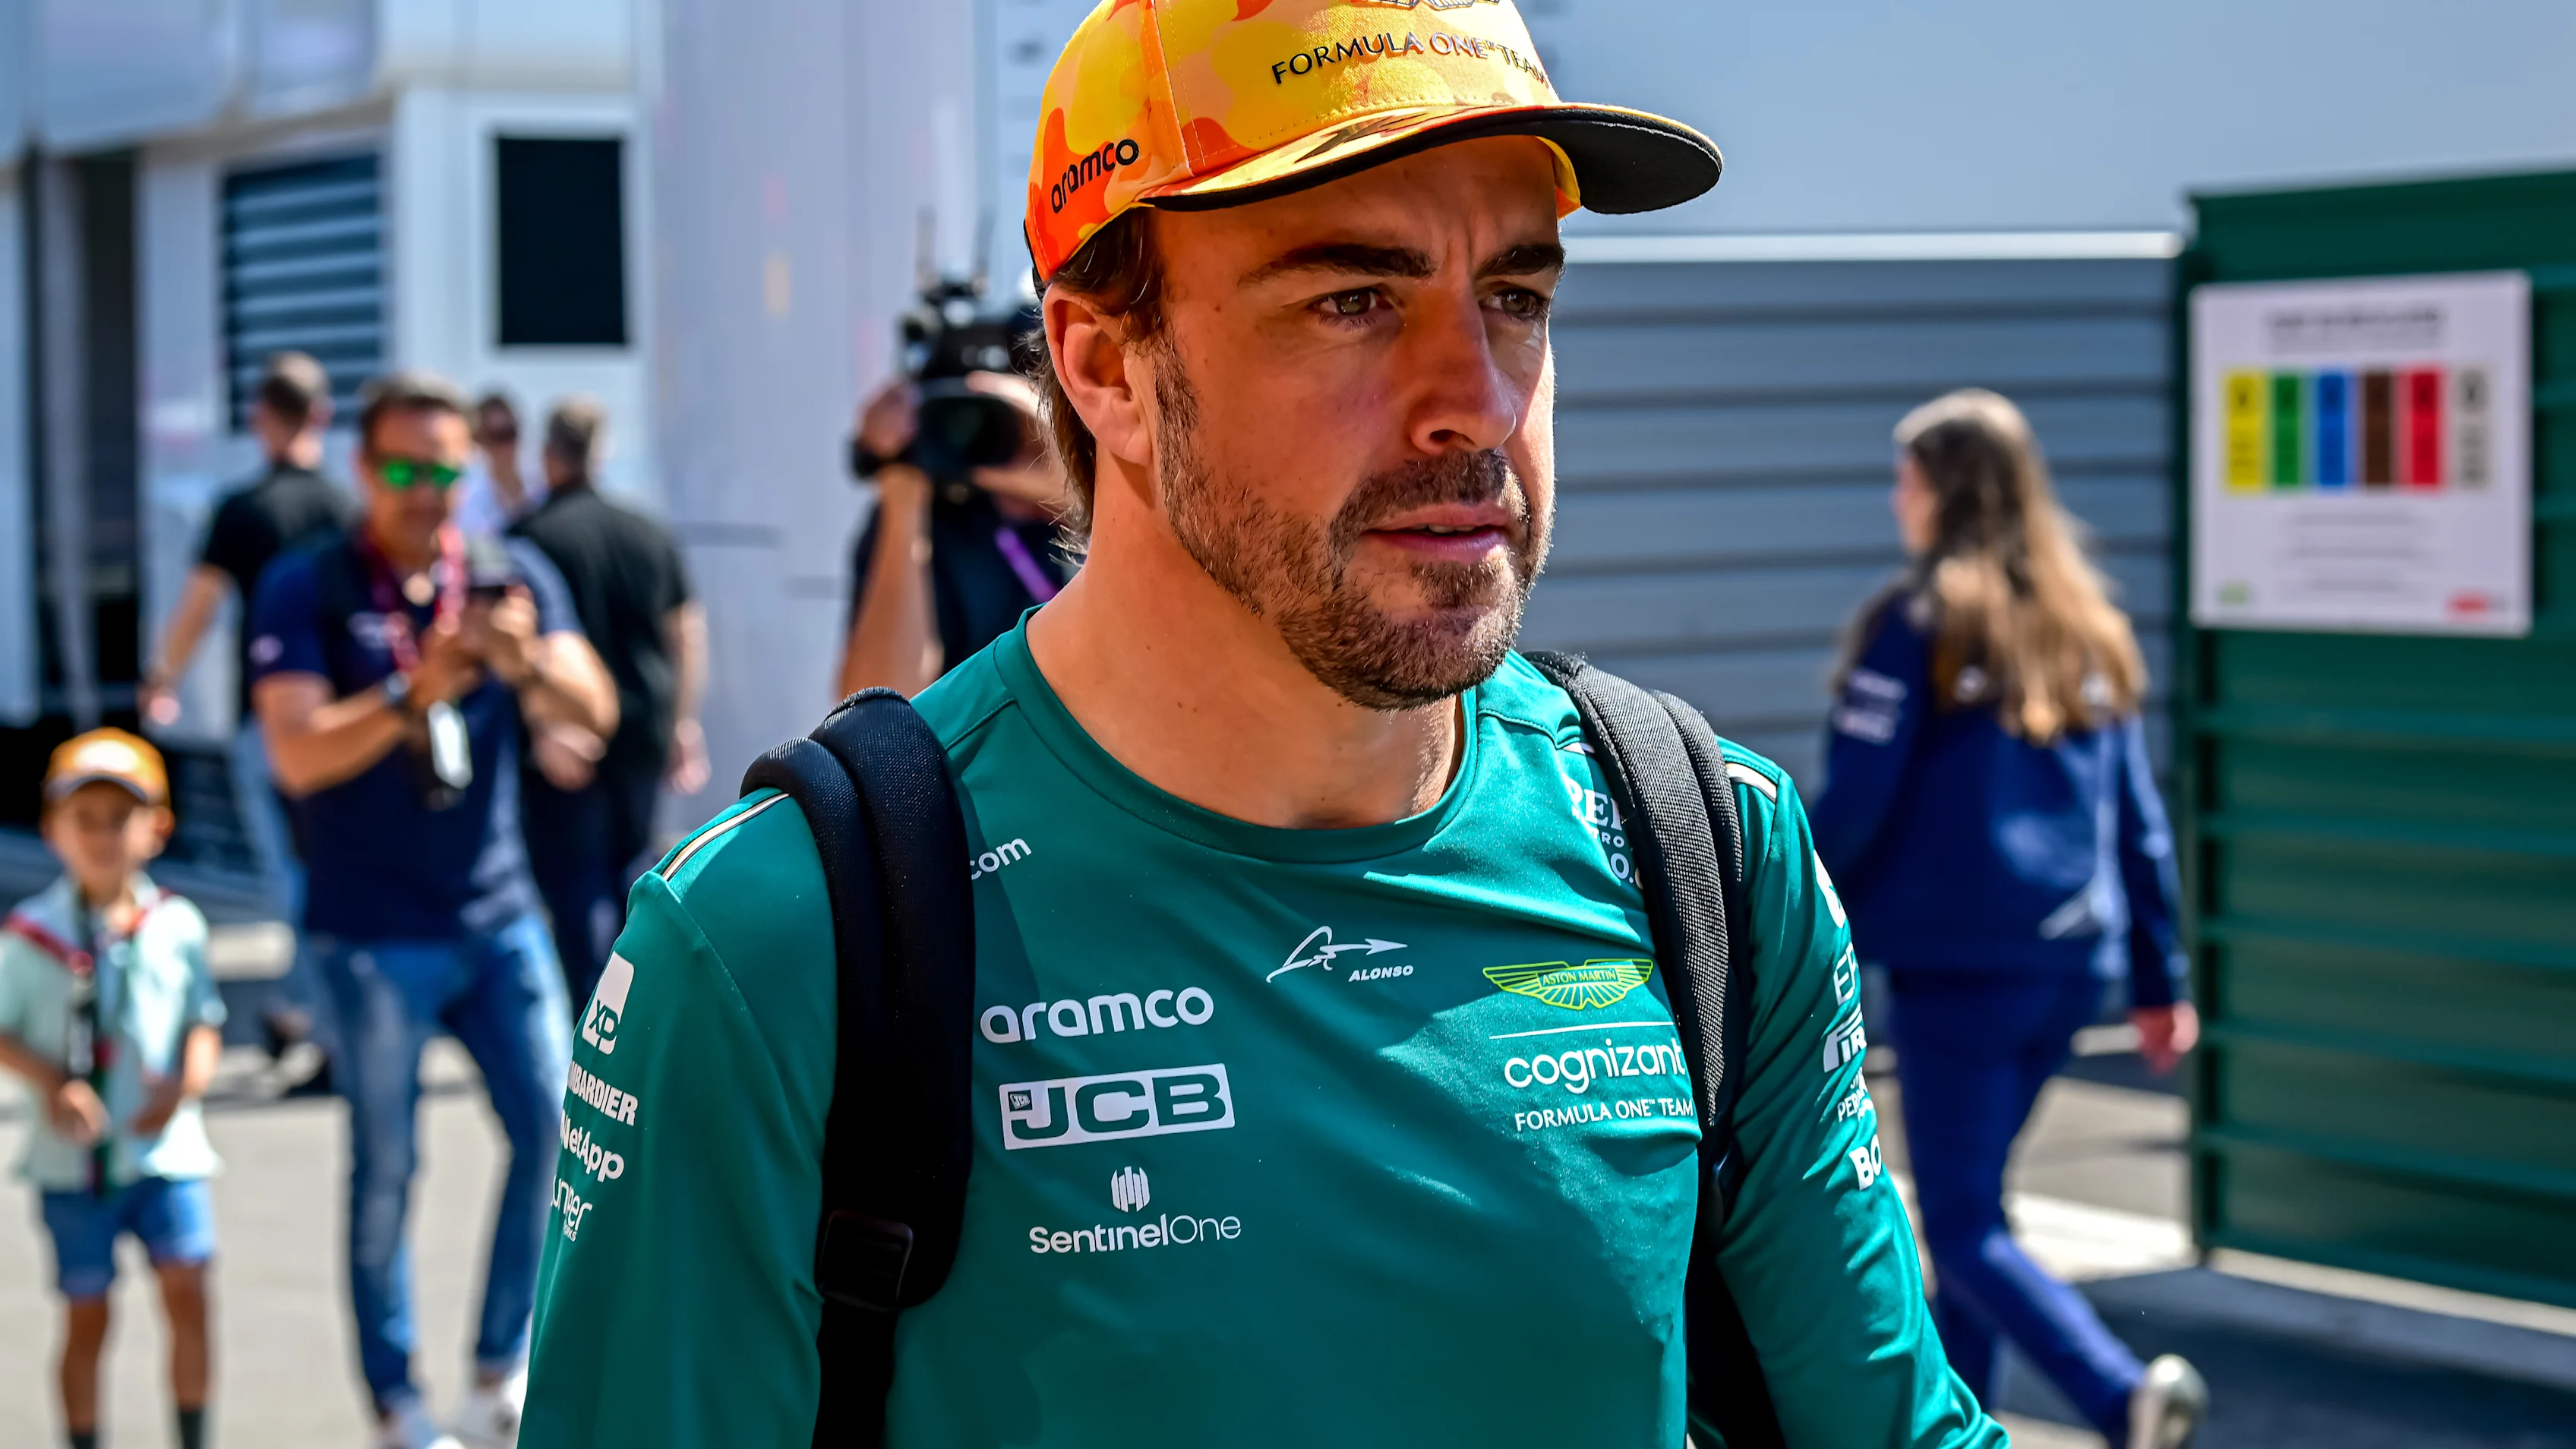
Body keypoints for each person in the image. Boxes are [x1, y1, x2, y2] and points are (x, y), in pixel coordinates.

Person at [524, 2, 2001, 1445]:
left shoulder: (1703, 849)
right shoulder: (778, 943)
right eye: (1353, 300)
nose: (1473, 402)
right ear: (1106, 367)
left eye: (1517, 297)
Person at [1808, 389, 2207, 1449]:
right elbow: (2142, 827)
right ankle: (1962, 1426)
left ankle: (2123, 1396)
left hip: (1960, 975)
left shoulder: (1918, 624)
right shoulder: (2092, 629)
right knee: (1975, 1211)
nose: (1898, 499)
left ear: (1941, 488)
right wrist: (2163, 985)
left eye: (1906, 477)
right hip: (2076, 969)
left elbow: (1852, 809)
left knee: (1965, 1225)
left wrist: (1765, 908)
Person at [248, 370, 618, 1449]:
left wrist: (524, 661)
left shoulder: (511, 572)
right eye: (405, 470)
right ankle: (394, 1399)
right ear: (363, 470)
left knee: (560, 1127)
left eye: (445, 471)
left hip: (498, 913)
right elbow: (297, 753)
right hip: (369, 929)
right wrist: (419, 691)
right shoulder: (308, 585)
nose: (427, 492)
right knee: (387, 1166)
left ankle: (502, 1364)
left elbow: (597, 708)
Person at [0, 729, 224, 1449]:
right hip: (74, 1165)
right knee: (87, 1312)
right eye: (84, 821)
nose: (103, 837)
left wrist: (186, 1087)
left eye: (120, 819)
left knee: (188, 1287)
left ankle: (194, 1435)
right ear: (52, 831)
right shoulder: (30, 936)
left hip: (164, 1150)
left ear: (157, 828)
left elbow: (203, 1021)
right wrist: (52, 1083)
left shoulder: (177, 926)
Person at [141, 350, 346, 1076]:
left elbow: (198, 608)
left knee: (290, 880)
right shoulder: (346, 510)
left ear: (262, 418)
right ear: (321, 416)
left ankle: (323, 1027)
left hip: (269, 722)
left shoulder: (244, 509)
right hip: (343, 727)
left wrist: (159, 679)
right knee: (326, 872)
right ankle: (307, 1012)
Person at [509, 396, 709, 1003]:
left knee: (576, 893)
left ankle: (594, 1027)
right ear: (602, 454)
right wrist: (682, 723)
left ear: (549, 455)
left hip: (567, 738)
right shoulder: (646, 531)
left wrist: (543, 726)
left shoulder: (528, 537)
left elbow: (514, 648)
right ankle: (639, 1015)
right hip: (644, 726)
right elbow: (687, 634)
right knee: (634, 880)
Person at [836, 367, 1075, 696]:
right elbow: (872, 712)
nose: (992, 434)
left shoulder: (1093, 520)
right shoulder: (928, 526)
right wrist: (903, 489)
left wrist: (1073, 484)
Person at [454, 391, 534, 540]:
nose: (508, 446)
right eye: (497, 436)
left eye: (511, 432)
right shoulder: (467, 505)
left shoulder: (542, 489)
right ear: (478, 442)